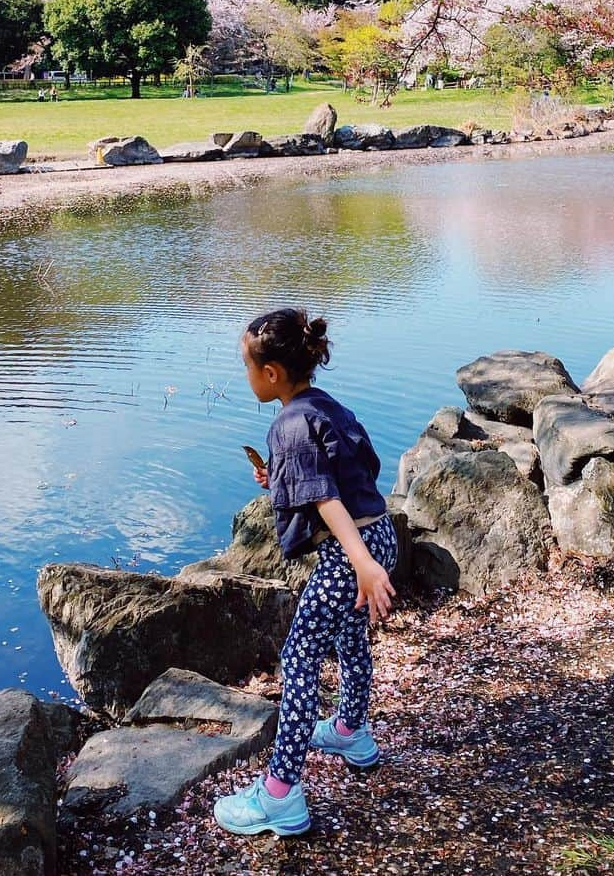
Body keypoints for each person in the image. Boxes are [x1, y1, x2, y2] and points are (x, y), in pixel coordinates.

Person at [213, 308, 398, 839]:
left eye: (248, 366)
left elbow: (322, 493)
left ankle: (280, 794)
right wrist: (280, 478)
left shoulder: (289, 422)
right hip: (377, 530)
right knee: (349, 634)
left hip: (352, 550)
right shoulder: (324, 407)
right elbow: (358, 467)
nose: (245, 375)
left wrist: (360, 562)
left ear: (271, 373)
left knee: (298, 656)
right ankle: (350, 729)